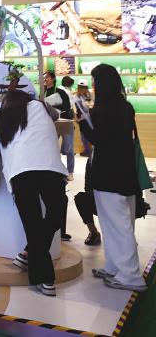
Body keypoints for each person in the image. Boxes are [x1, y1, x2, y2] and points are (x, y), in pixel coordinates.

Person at [0, 89, 67, 297]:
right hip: (48, 170)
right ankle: (45, 277)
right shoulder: (42, 106)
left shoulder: (4, 115)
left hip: (23, 173)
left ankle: (29, 255)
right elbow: (56, 114)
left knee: (33, 225)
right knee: (55, 215)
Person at [77, 63, 147, 292]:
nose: (93, 86)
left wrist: (84, 125)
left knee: (118, 226)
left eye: (95, 82)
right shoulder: (125, 107)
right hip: (125, 173)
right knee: (116, 224)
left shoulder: (105, 109)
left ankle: (130, 276)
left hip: (108, 175)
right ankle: (114, 267)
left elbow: (99, 139)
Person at [43, 71, 75, 181]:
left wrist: (55, 108)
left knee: (69, 148)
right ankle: (56, 170)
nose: (45, 79)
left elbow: (67, 106)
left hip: (65, 122)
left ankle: (70, 172)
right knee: (52, 148)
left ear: (53, 79)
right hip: (51, 123)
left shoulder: (60, 92)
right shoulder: (42, 92)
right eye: (44, 77)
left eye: (47, 77)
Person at [76, 81, 93, 157]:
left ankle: (88, 151)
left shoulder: (87, 96)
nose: (85, 89)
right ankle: (87, 151)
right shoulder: (77, 97)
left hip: (88, 118)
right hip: (82, 119)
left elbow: (90, 106)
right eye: (83, 88)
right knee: (84, 136)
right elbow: (75, 108)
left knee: (86, 136)